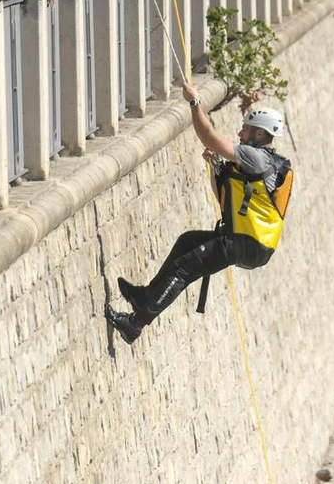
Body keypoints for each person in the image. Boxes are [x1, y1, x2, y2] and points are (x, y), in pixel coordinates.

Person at [106, 87, 293, 344]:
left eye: (246, 129)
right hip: (248, 243)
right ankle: (145, 296)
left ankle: (135, 325)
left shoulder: (257, 159)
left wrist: (194, 102)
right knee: (188, 241)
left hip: (245, 243)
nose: (240, 133)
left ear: (260, 134)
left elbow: (209, 136)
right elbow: (224, 200)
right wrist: (215, 168)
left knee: (183, 269)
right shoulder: (264, 164)